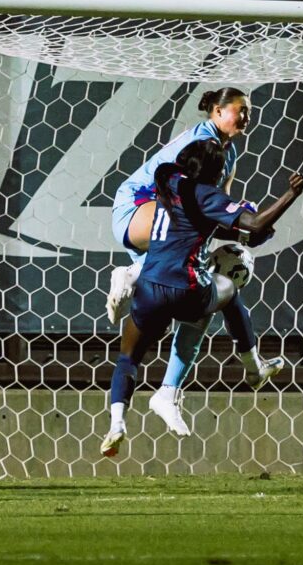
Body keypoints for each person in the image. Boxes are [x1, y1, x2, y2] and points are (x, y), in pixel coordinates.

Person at [101, 138, 303, 457]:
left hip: (151, 287)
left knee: (128, 357)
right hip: (186, 290)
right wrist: (289, 196)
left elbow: (196, 220)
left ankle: (116, 424)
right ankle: (253, 367)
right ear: (216, 171)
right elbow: (254, 224)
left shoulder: (167, 179)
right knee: (227, 291)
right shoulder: (208, 195)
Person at [106, 87, 271, 437]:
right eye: (240, 110)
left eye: (249, 111)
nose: (246, 117)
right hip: (136, 209)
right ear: (216, 110)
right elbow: (184, 198)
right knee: (195, 267)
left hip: (157, 226)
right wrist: (248, 224)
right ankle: (131, 273)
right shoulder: (197, 141)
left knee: (195, 283)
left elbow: (212, 208)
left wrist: (242, 226)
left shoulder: (228, 150)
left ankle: (167, 392)